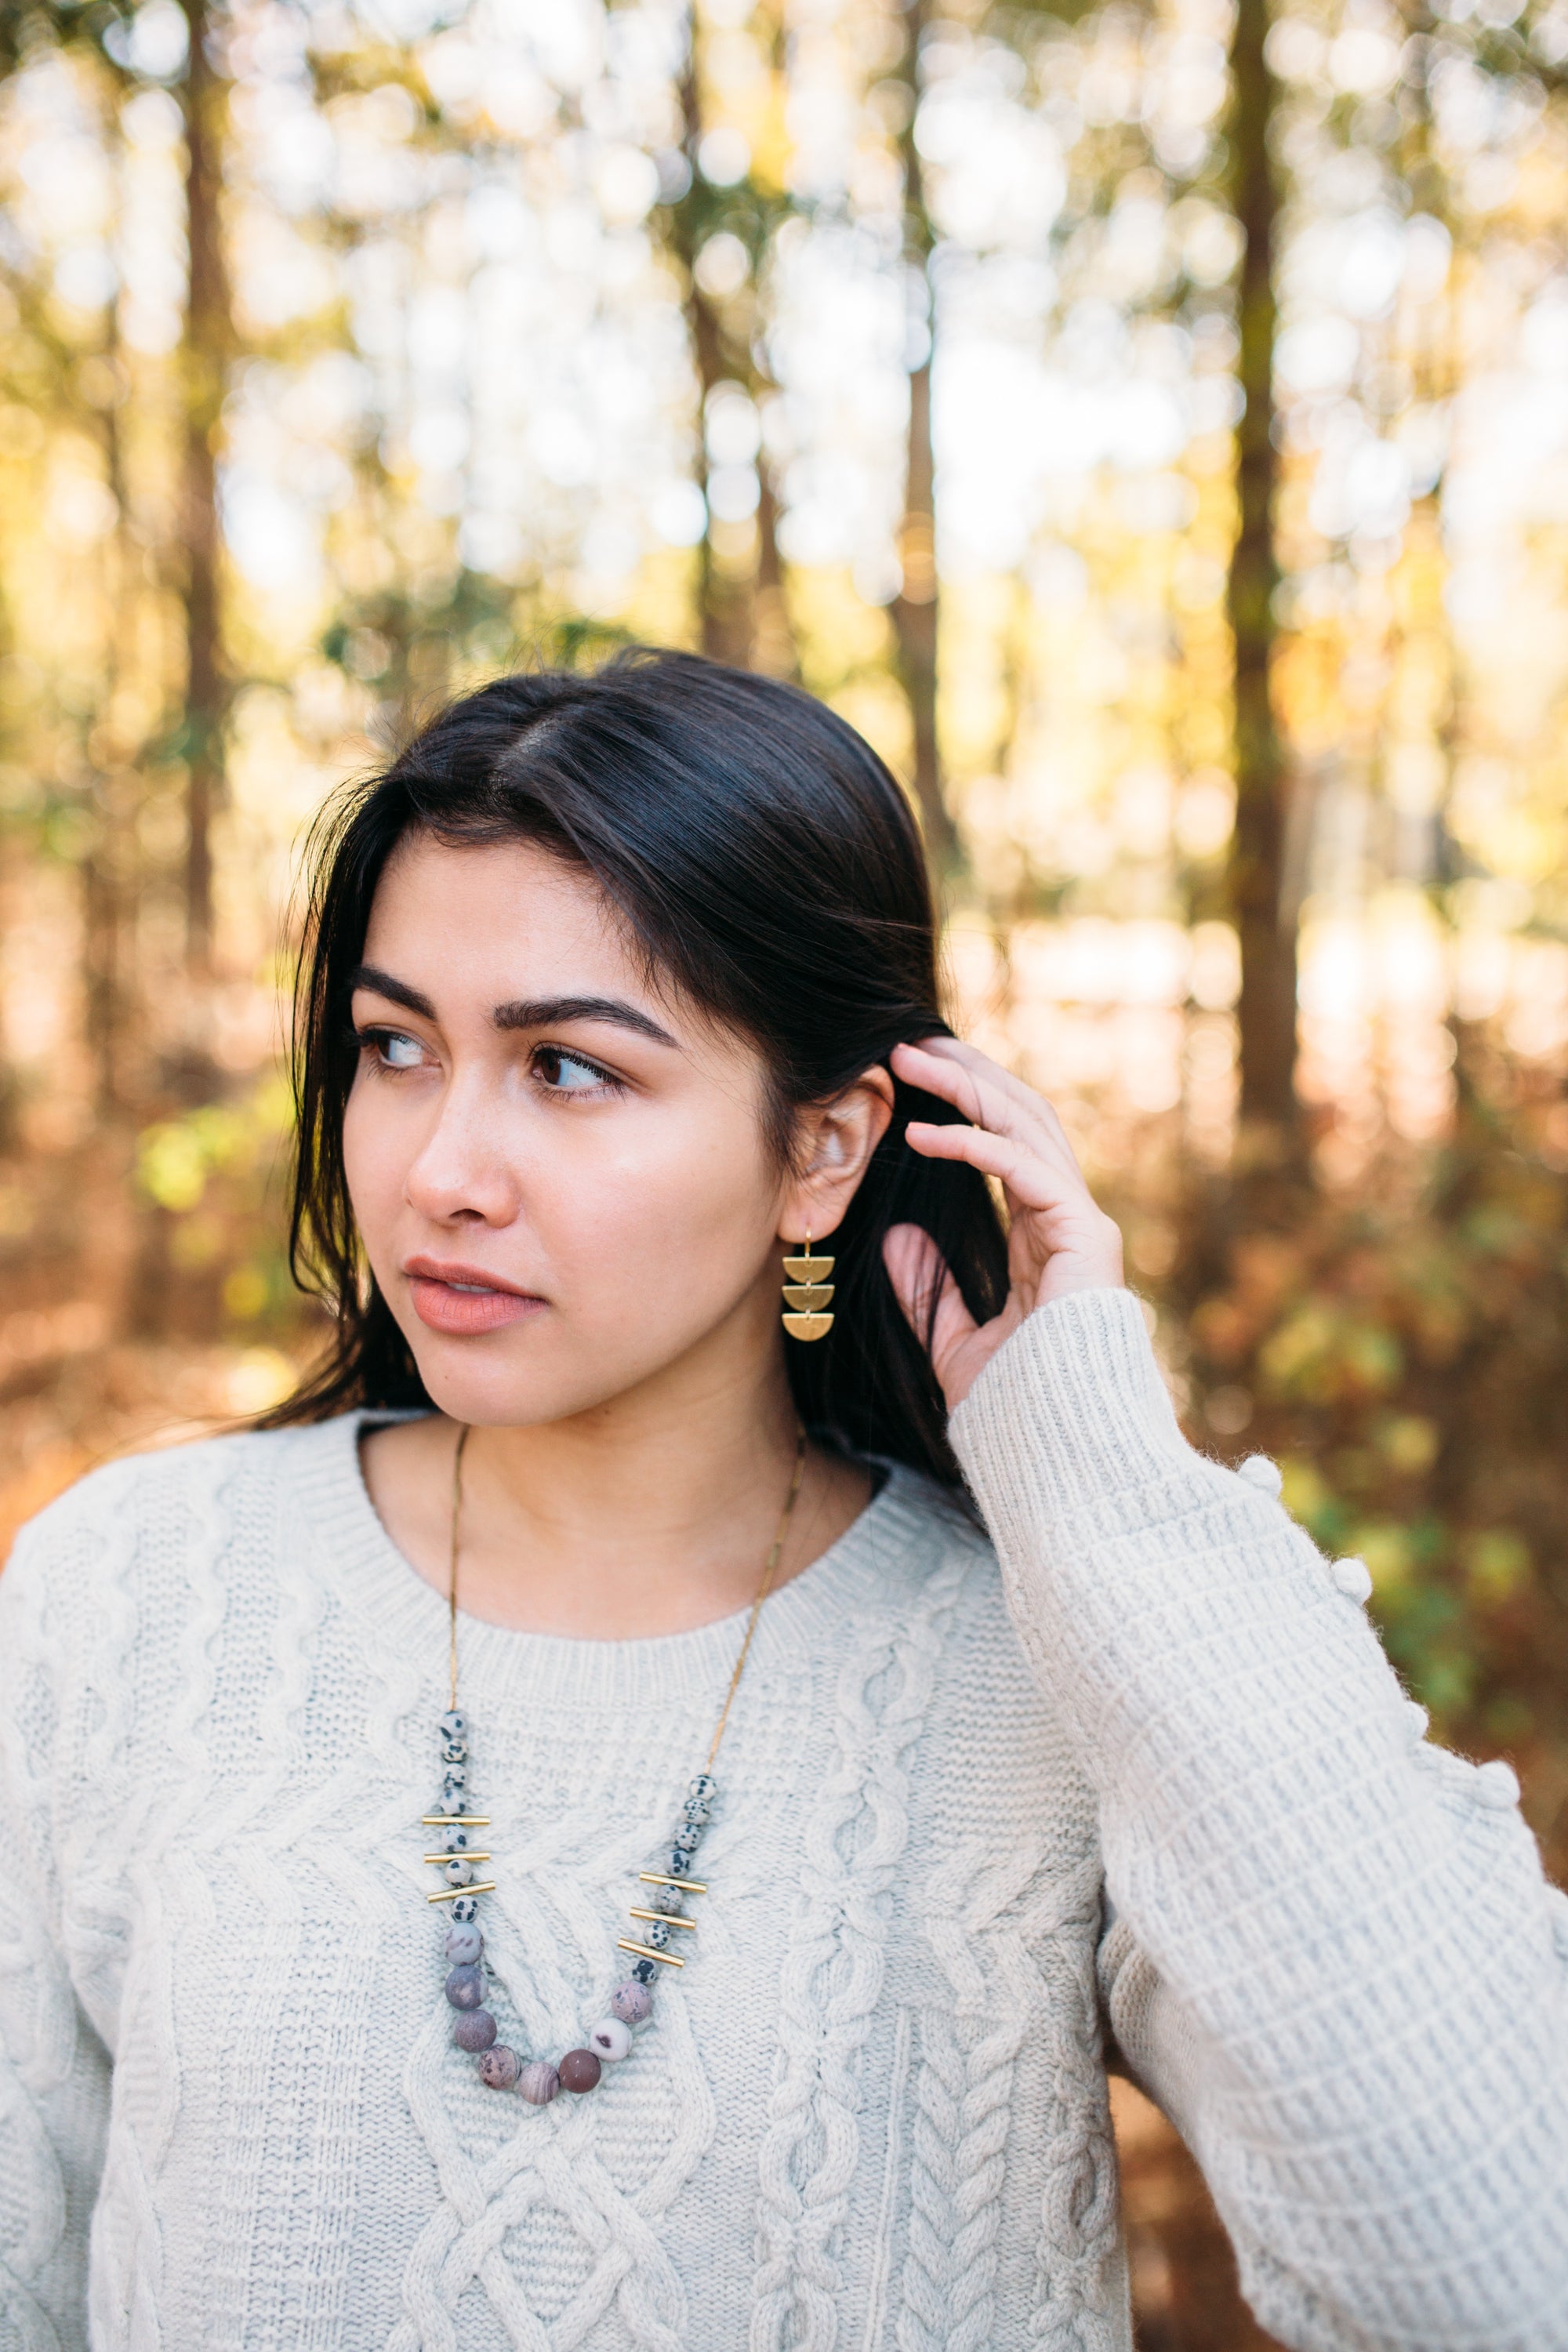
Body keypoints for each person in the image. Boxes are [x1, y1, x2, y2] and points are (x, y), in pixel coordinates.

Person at [2, 649, 1564, 2352]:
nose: (439, 1172)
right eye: (394, 1047)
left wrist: (1100, 1483)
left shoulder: (1050, 1674)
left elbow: (1489, 2265)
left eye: (568, 1069)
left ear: (823, 1147)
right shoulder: (135, 1600)